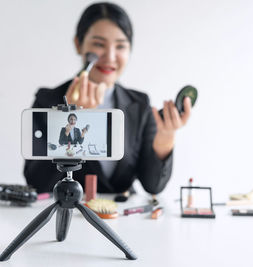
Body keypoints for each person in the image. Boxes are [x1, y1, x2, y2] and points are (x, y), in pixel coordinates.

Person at [24, 2, 192, 194]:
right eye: (98, 44)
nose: (110, 57)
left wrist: (165, 137)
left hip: (120, 218)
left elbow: (153, 186)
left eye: (120, 46)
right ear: (79, 44)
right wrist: (71, 118)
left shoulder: (140, 104)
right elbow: (37, 184)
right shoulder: (47, 100)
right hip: (68, 214)